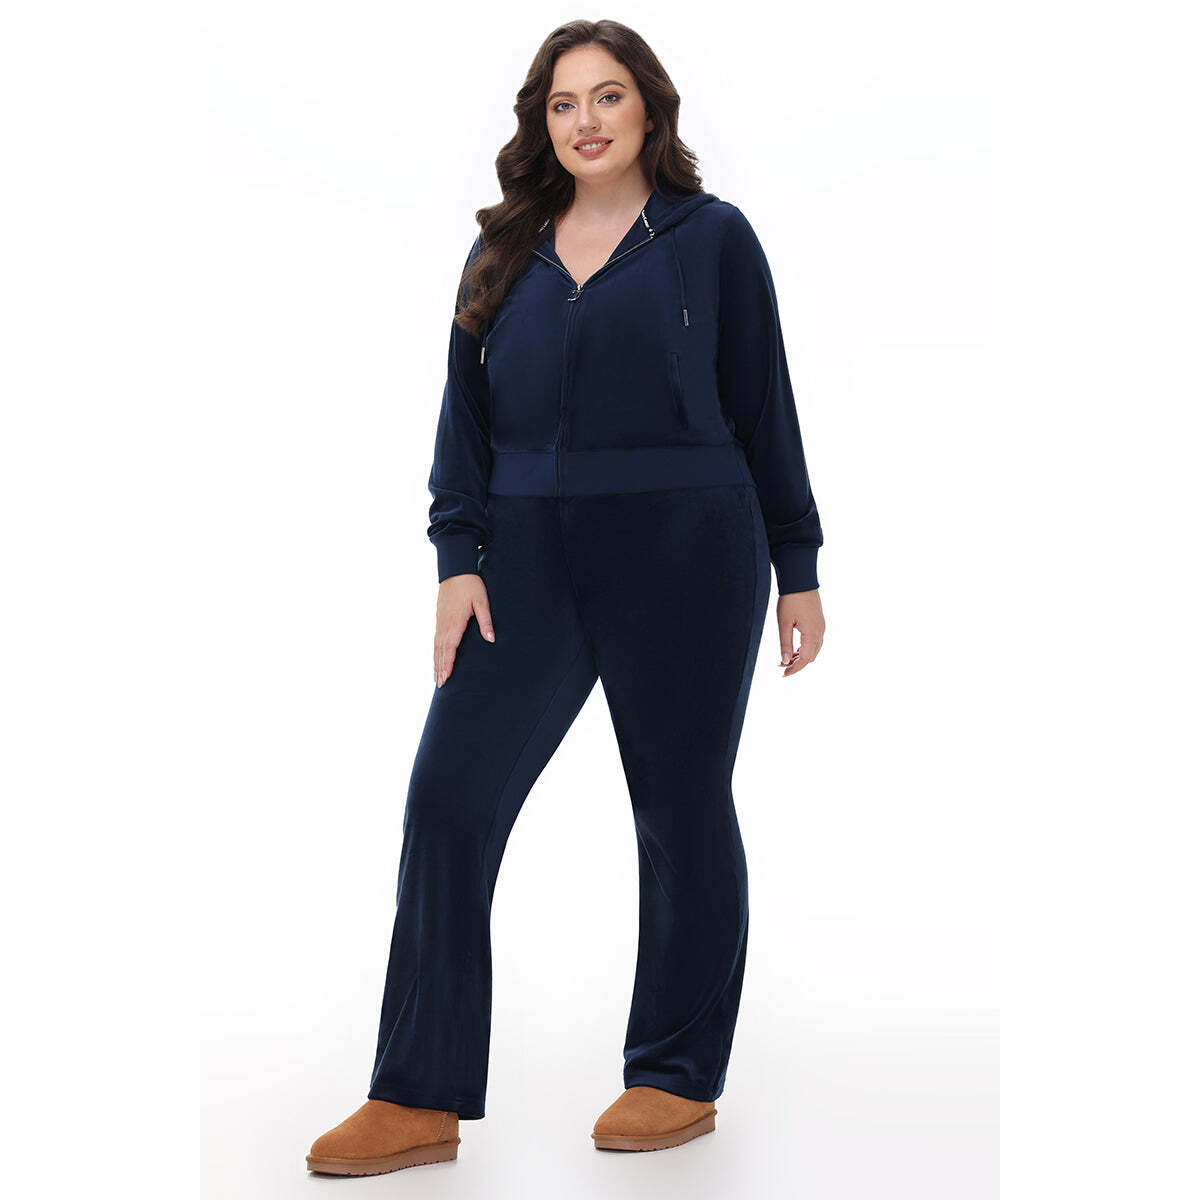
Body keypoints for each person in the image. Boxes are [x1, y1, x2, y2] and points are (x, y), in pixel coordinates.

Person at [306, 19, 825, 1176]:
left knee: (678, 806)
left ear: (650, 109)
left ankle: (674, 1075)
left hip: (690, 547)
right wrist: (458, 559)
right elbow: (463, 420)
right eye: (562, 103)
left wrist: (797, 563)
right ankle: (416, 1095)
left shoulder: (712, 238)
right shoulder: (502, 250)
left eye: (607, 95)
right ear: (541, 124)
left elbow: (764, 403)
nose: (586, 120)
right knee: (448, 796)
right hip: (528, 557)